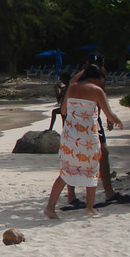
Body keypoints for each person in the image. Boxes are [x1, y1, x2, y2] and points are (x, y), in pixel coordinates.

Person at [44, 64, 122, 218]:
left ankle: (50, 207)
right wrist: (118, 121)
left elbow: (64, 110)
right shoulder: (97, 91)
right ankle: (89, 209)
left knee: (66, 172)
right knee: (91, 170)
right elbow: (109, 113)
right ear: (96, 78)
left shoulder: (72, 88)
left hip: (70, 135)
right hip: (87, 136)